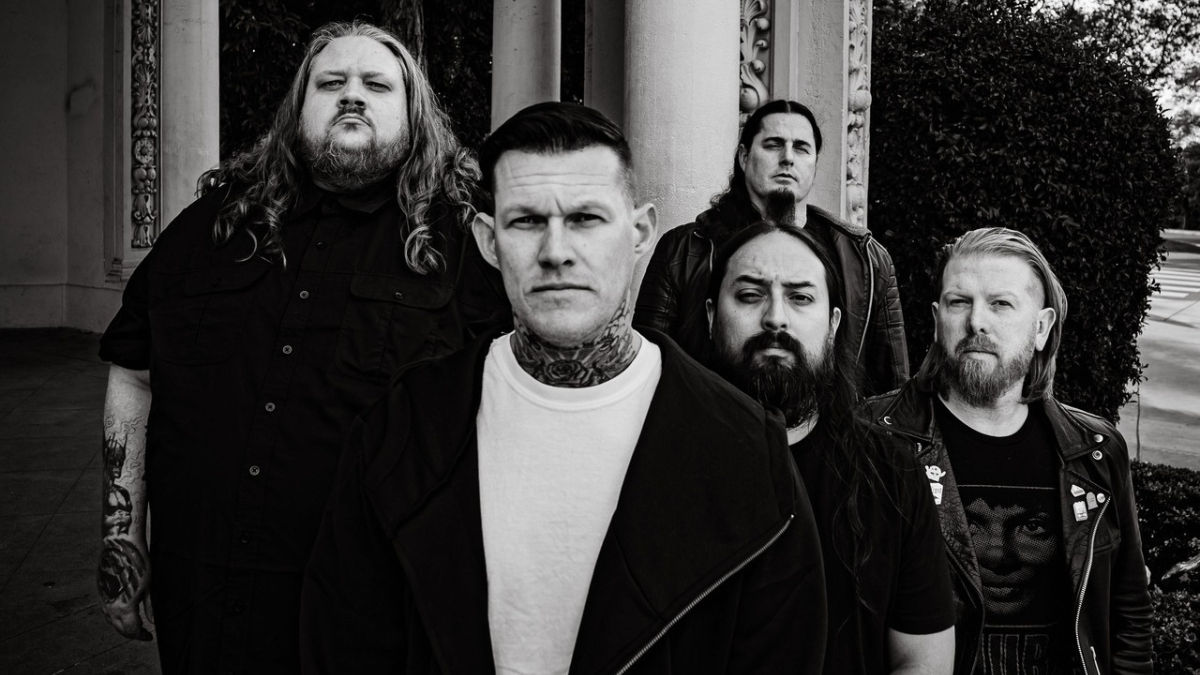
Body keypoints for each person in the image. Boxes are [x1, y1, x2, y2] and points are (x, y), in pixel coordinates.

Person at [299, 102, 827, 674]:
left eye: (586, 219)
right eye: (527, 221)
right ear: (488, 241)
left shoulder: (745, 450)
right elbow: (344, 643)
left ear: (640, 233)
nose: (556, 252)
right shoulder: (406, 429)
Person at [96, 21, 505, 675]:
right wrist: (122, 540)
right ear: (297, 108)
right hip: (205, 595)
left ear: (414, 115)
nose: (352, 95)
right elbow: (134, 371)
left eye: (377, 85)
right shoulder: (210, 227)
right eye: (331, 82)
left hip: (373, 609)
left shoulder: (465, 245)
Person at [866, 228, 1153, 675]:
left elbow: (1128, 604)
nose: (976, 322)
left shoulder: (1094, 453)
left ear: (1041, 328)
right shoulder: (874, 437)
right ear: (938, 320)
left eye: (1000, 303)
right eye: (959, 302)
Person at [703, 220, 956, 675]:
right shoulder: (659, 466)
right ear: (710, 316)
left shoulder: (892, 475)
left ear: (834, 324)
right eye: (750, 295)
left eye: (800, 297)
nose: (775, 317)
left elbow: (924, 661)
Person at [634, 99, 908, 396]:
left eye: (801, 148)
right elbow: (648, 370)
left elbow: (893, 393)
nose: (788, 158)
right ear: (744, 157)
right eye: (773, 145)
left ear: (815, 164)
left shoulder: (866, 258)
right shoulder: (685, 249)